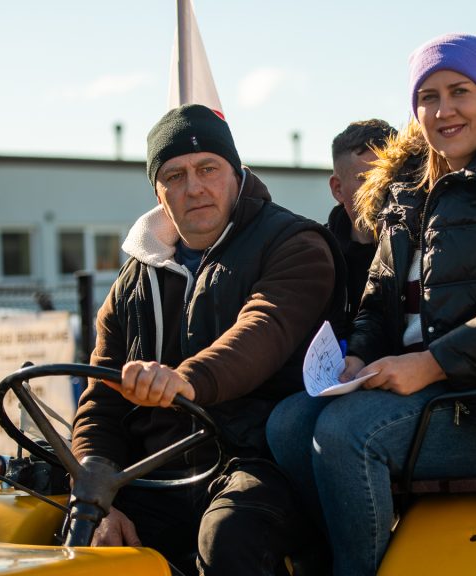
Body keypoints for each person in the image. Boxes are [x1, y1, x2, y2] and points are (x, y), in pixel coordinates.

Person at [266, 33, 476, 575]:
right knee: (286, 423)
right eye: (428, 97)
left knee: (346, 431)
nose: (444, 110)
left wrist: (432, 363)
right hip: (424, 395)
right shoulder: (404, 187)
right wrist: (359, 357)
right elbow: (379, 295)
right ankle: (345, 556)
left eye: (459, 91)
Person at [71, 104, 344, 576]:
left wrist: (184, 380)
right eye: (174, 176)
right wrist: (95, 499)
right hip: (155, 473)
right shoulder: (133, 282)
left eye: (207, 169)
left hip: (259, 461)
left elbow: (263, 330)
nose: (193, 187)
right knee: (74, 536)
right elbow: (101, 402)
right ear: (158, 192)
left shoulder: (295, 244)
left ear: (236, 173)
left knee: (228, 535)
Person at [327, 119, 396, 326]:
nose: (382, 188)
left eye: (391, 176)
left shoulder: (426, 250)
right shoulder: (318, 256)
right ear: (338, 189)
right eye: (367, 179)